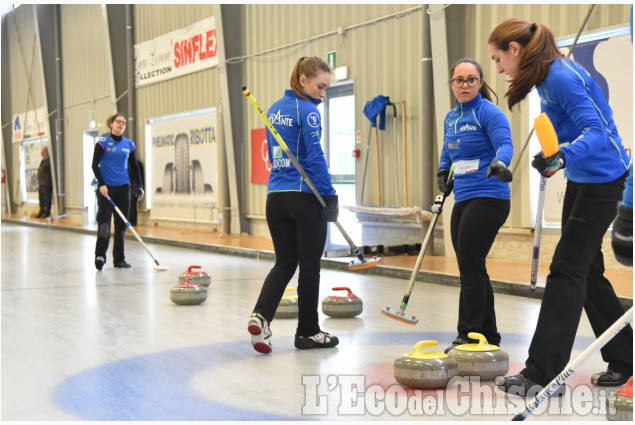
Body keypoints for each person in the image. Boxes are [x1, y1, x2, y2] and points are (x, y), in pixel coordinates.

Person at [488, 18, 633, 396]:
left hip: (604, 178)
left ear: (516, 50)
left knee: (567, 270)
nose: (499, 68)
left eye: (498, 59)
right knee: (588, 271)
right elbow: (564, 127)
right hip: (584, 177)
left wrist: (563, 156)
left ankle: (543, 374)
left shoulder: (560, 76)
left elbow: (597, 132)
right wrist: (551, 155)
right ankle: (628, 358)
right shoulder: (545, 75)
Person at [247, 56, 339, 354]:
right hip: (304, 197)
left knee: (285, 263)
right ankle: (308, 332)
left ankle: (260, 316)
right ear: (303, 81)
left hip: (276, 198)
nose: (323, 94)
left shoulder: (274, 109)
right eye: (320, 86)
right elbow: (315, 158)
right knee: (310, 267)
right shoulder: (309, 112)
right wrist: (330, 195)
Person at [437, 58, 514, 354]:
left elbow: (504, 144)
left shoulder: (489, 113)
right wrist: (443, 171)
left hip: (490, 197)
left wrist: (500, 162)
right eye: (459, 80)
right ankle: (489, 334)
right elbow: (448, 148)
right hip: (464, 198)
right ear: (452, 84)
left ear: (480, 83)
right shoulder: (451, 117)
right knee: (473, 266)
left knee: (469, 265)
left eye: (471, 79)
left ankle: (467, 335)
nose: (465, 85)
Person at [92, 113, 144, 270]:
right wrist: (102, 184)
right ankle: (100, 255)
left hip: (123, 188)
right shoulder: (102, 143)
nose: (121, 125)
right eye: (118, 122)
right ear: (111, 124)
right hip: (106, 189)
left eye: (124, 122)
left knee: (121, 225)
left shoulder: (129, 144)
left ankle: (119, 259)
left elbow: (135, 167)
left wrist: (139, 186)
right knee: (105, 223)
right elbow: (95, 165)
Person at [37, 146, 53, 218]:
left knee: (47, 199)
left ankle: (47, 213)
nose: (42, 154)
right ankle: (41, 211)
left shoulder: (49, 161)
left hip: (47, 184)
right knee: (41, 200)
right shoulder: (43, 161)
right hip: (41, 184)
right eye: (41, 153)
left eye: (43, 152)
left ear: (47, 152)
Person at [128, 159, 145, 226]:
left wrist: (140, 188)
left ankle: (132, 221)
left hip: (133, 187)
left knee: (132, 205)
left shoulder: (138, 164)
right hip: (126, 187)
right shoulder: (124, 163)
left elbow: (140, 177)